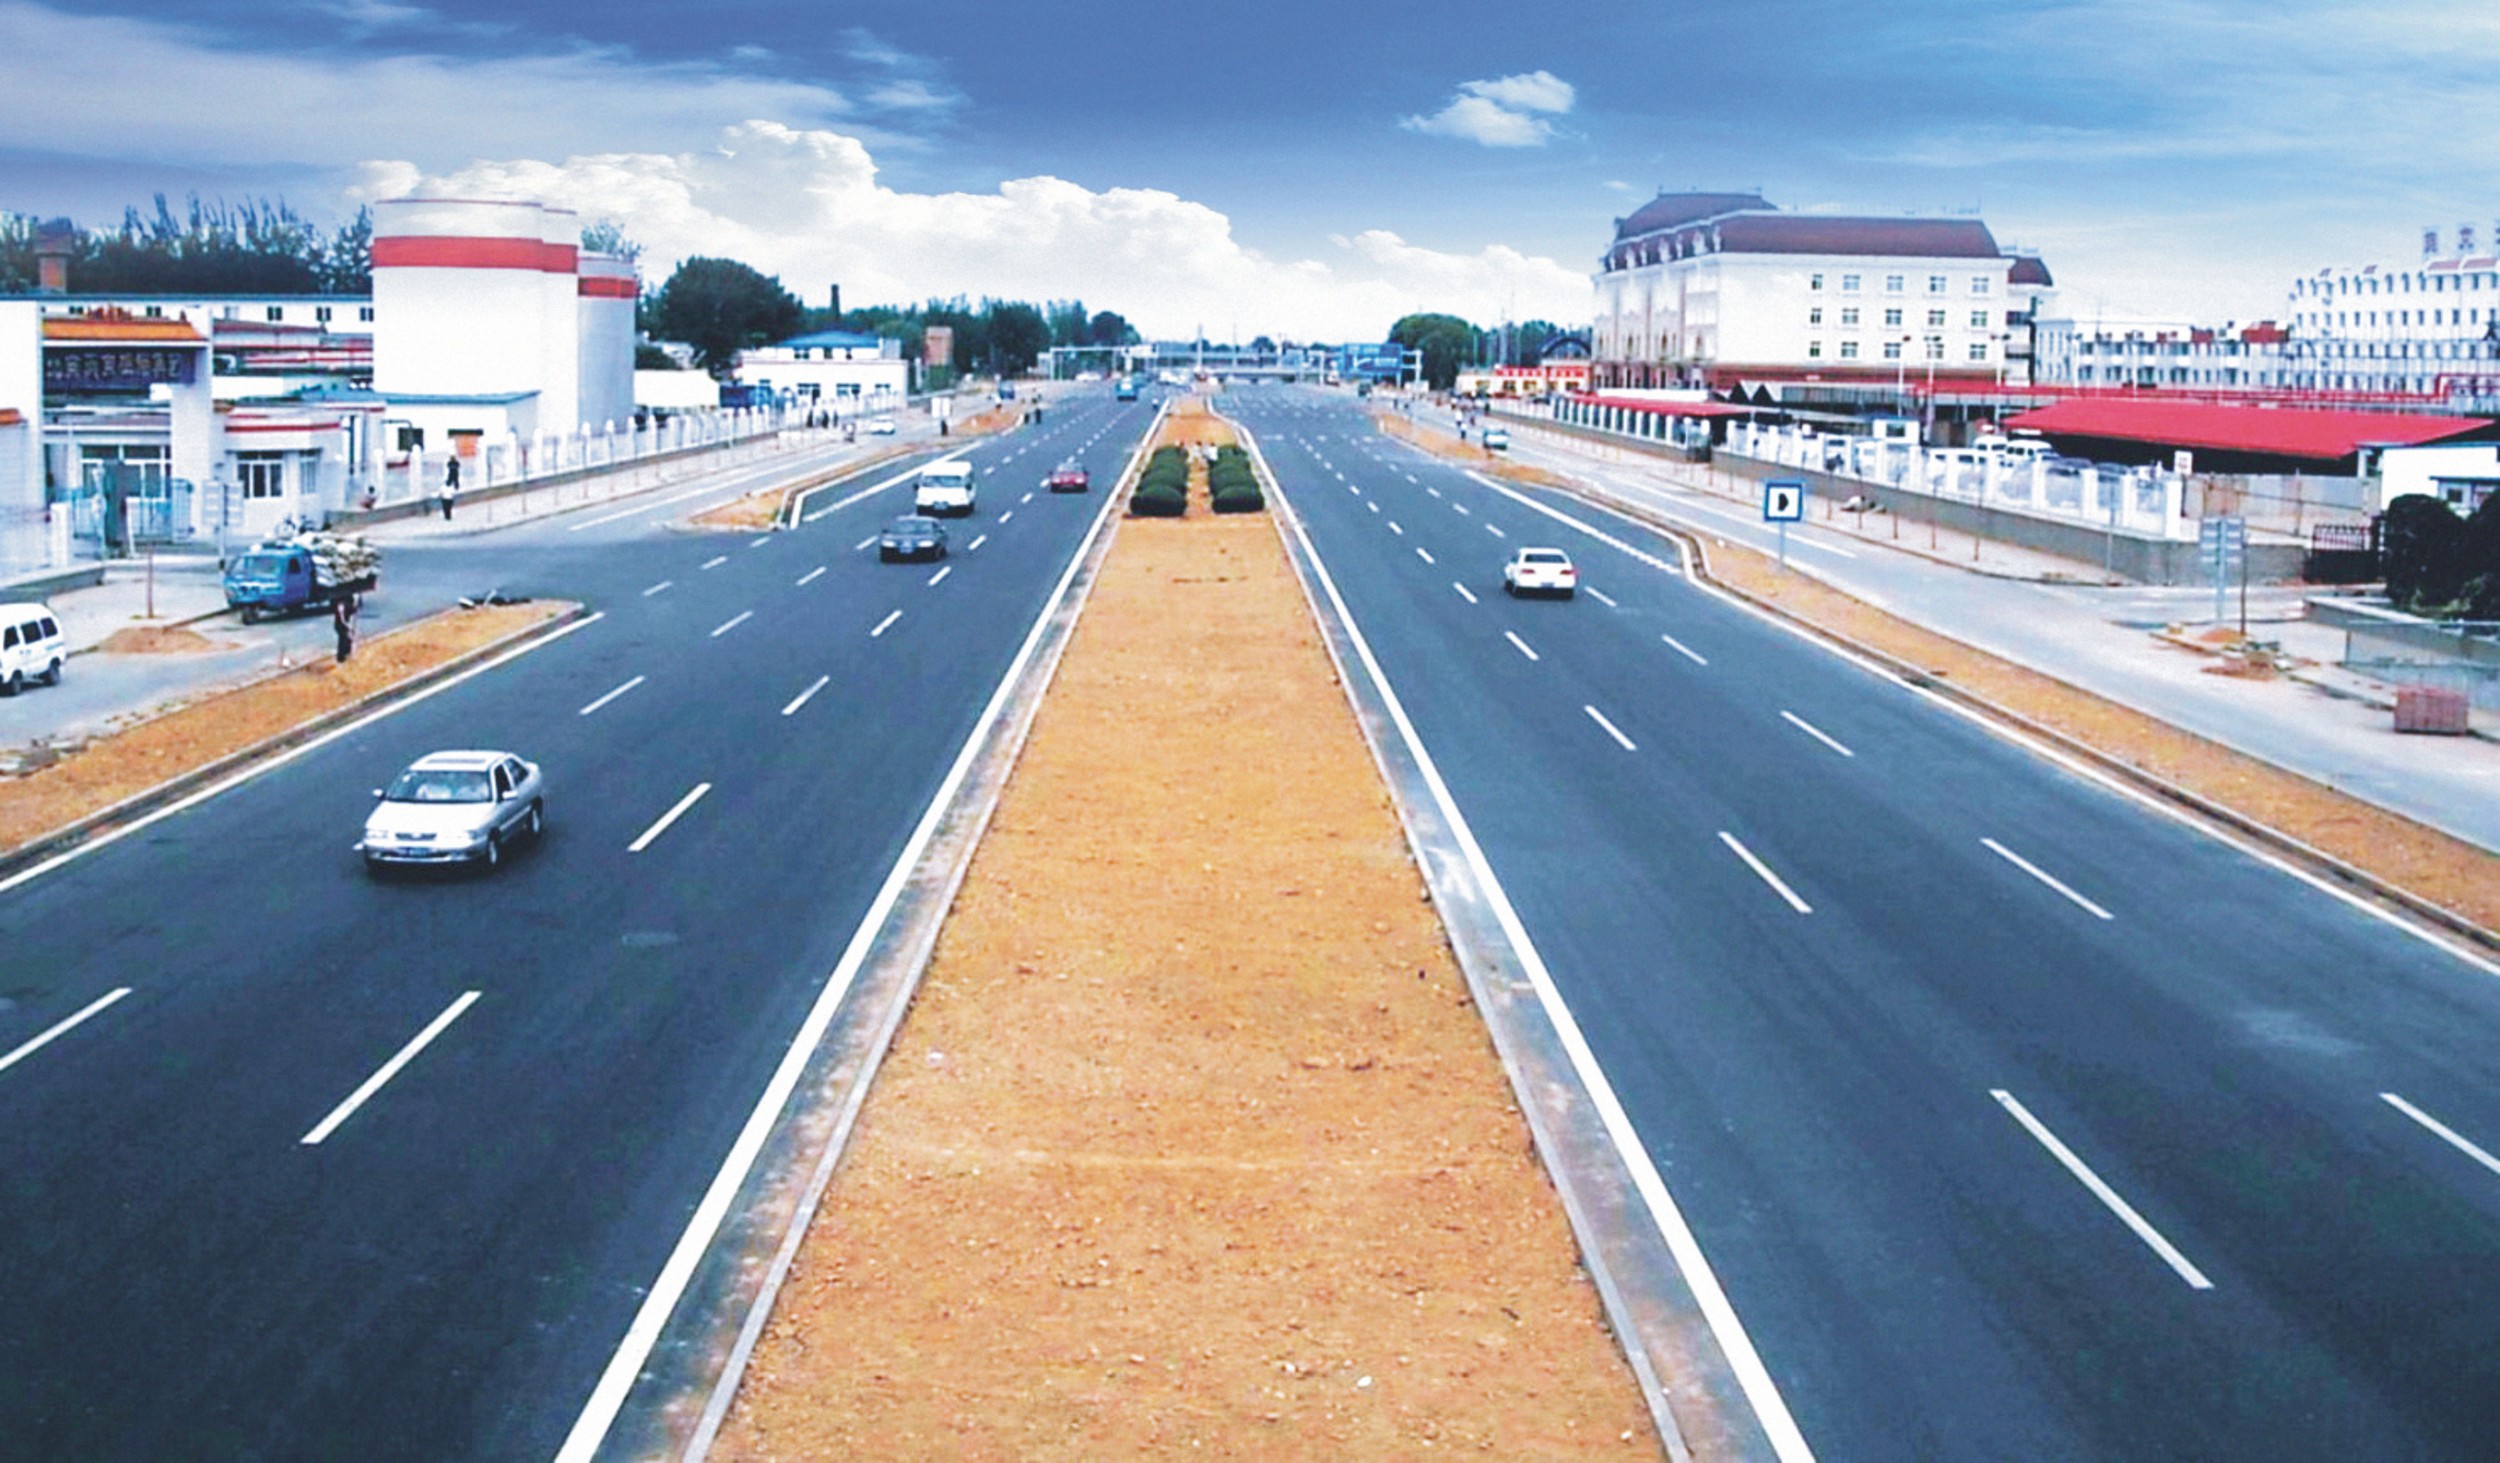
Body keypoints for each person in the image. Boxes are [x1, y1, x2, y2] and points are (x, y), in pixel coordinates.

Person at [332, 591, 358, 665]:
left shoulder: (345, 605)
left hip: (343, 625)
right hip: (341, 625)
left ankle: (346, 655)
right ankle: (341, 658)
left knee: (346, 639)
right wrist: (348, 627)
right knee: (344, 639)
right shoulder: (342, 606)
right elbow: (342, 619)